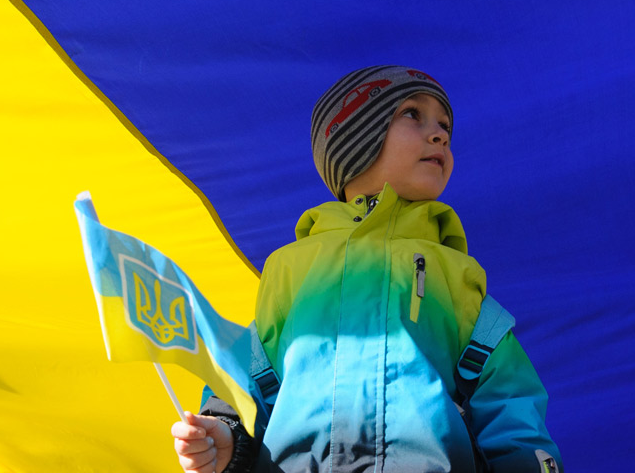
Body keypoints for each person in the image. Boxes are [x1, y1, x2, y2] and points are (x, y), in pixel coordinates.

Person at [171, 66, 562, 472]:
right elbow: (251, 374)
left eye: (445, 125)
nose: (440, 134)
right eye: (412, 114)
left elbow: (508, 398)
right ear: (355, 141)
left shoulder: (457, 275)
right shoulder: (290, 268)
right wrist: (225, 434)